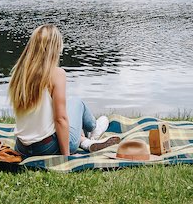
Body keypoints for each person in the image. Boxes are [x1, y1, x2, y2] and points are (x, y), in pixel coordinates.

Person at [8, 23, 119, 157]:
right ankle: (93, 130)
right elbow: (60, 119)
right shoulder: (56, 74)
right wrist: (66, 156)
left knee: (69, 105)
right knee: (77, 103)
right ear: (55, 48)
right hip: (47, 147)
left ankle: (84, 140)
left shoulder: (18, 73)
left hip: (22, 148)